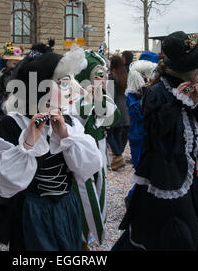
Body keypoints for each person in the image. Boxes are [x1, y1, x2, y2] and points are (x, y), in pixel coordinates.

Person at [113, 31, 198, 251]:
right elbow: (158, 132)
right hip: (165, 175)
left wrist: (197, 103)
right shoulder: (157, 92)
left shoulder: (197, 91)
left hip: (192, 172)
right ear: (186, 69)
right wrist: (178, 101)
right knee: (173, 232)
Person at [0, 45, 103, 251]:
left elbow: (90, 166)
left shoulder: (68, 122)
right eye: (64, 84)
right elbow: (5, 184)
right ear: (41, 87)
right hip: (30, 214)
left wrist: (65, 136)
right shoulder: (12, 125)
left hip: (67, 208)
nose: (74, 89)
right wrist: (27, 144)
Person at [74, 49, 120, 249]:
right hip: (79, 153)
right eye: (97, 73)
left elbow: (111, 118)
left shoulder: (103, 92)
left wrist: (99, 97)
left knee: (99, 186)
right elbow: (74, 118)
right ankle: (80, 235)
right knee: (83, 192)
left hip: (98, 148)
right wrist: (87, 99)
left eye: (103, 74)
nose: (102, 77)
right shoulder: (72, 92)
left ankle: (90, 233)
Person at [125, 59, 158, 206]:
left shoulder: (137, 95)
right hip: (140, 138)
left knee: (146, 173)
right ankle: (133, 199)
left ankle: (136, 199)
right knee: (143, 173)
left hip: (140, 137)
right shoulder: (136, 97)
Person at [106, 55, 129, 170]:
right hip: (124, 107)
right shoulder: (124, 75)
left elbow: (110, 96)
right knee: (118, 134)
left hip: (115, 107)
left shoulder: (111, 77)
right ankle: (118, 159)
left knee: (109, 135)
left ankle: (119, 157)